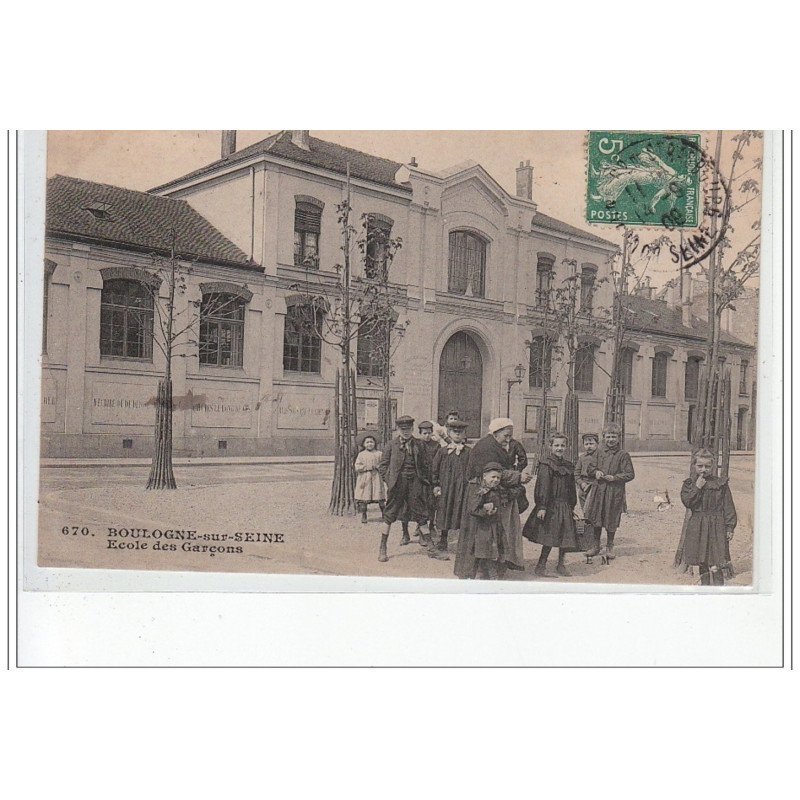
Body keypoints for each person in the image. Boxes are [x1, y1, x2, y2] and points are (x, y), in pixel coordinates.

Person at [454, 417, 532, 579]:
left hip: (490, 492)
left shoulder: (493, 444)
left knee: (492, 533)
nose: (508, 439)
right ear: (496, 433)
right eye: (506, 435)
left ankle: (491, 566)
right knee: (482, 534)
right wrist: (518, 477)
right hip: (482, 495)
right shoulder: (486, 448)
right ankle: (481, 569)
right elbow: (496, 473)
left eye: (510, 436)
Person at [377, 416, 448, 563]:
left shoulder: (419, 444)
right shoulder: (391, 445)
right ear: (398, 430)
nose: (406, 432)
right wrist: (389, 481)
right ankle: (382, 547)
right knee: (389, 515)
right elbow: (383, 466)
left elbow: (426, 464)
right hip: (397, 485)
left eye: (409, 429)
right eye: (403, 430)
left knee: (421, 514)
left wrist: (425, 481)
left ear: (412, 429)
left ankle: (431, 548)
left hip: (415, 484)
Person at [523, 432, 580, 577]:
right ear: (550, 446)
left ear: (566, 447)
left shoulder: (568, 465)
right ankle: (541, 565)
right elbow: (543, 486)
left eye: (562, 445)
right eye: (556, 445)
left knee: (566, 536)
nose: (559, 448)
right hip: (551, 505)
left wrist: (572, 505)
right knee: (549, 536)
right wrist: (542, 506)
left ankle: (561, 564)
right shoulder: (546, 464)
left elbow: (571, 488)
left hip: (565, 505)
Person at [680, 448, 737, 586]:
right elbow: (688, 502)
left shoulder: (720, 484)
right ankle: (705, 588)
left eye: (707, 466)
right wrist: (697, 488)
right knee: (702, 561)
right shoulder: (689, 484)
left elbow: (728, 506)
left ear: (712, 466)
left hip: (716, 526)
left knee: (716, 561)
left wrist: (729, 527)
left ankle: (718, 589)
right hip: (698, 526)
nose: (703, 469)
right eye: (700, 466)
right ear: (694, 466)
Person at [582, 422, 635, 561]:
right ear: (604, 437)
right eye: (608, 436)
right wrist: (596, 472)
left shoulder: (623, 455)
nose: (611, 439)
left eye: (614, 436)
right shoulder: (598, 452)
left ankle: (610, 546)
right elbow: (590, 469)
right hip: (599, 491)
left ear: (619, 438)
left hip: (614, 492)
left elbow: (630, 474)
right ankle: (595, 545)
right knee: (596, 517)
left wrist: (615, 477)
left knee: (611, 518)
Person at [431, 419, 471, 552]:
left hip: (462, 488)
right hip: (446, 487)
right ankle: (443, 539)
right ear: (449, 433)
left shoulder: (469, 452)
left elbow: (473, 469)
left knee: (461, 511)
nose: (458, 435)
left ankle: (463, 541)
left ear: (465, 434)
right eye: (455, 432)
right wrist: (436, 484)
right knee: (445, 510)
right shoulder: (443, 451)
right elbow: (435, 469)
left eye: (461, 432)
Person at [461, 463, 506, 579]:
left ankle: (489, 574)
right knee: (480, 551)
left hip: (492, 525)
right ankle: (477, 575)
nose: (495, 480)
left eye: (498, 478)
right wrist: (485, 510)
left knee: (489, 550)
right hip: (480, 526)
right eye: (493, 477)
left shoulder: (495, 489)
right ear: (485, 476)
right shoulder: (479, 489)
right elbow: (473, 508)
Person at [416, 421, 441, 541]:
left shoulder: (436, 445)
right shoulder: (416, 444)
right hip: (419, 479)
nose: (427, 436)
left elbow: (439, 461)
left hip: (432, 479)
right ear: (420, 433)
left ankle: (431, 526)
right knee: (420, 505)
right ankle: (421, 530)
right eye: (424, 433)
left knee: (432, 504)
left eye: (429, 433)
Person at [574, 433, 599, 551]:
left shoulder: (599, 457)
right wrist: (581, 483)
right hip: (582, 487)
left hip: (594, 488)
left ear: (597, 444)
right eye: (586, 444)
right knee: (585, 513)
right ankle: (588, 538)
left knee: (592, 513)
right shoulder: (582, 458)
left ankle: (595, 540)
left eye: (591, 443)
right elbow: (576, 473)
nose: (589, 446)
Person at [354, 434, 385, 524]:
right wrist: (366, 467)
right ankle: (364, 515)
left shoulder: (379, 454)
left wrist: (378, 466)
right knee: (364, 496)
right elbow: (357, 466)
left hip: (376, 477)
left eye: (371, 442)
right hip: (365, 477)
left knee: (379, 496)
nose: (370, 444)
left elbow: (383, 464)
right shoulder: (361, 454)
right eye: (367, 442)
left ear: (375, 443)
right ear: (364, 444)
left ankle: (384, 514)